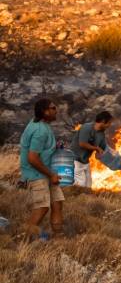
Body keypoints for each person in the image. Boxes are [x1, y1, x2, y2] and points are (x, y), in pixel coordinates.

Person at [19, 98, 64, 240]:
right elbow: (32, 158)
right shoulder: (40, 131)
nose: (56, 110)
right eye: (53, 108)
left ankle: (58, 240)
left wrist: (55, 147)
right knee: (42, 207)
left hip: (46, 172)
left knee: (57, 203)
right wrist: (51, 175)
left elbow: (41, 148)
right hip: (37, 174)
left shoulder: (41, 125)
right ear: (45, 112)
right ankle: (23, 241)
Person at [73, 110, 113, 189]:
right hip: (75, 160)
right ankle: (76, 196)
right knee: (81, 185)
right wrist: (96, 148)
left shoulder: (101, 134)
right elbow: (82, 143)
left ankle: (84, 197)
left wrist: (113, 156)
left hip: (85, 161)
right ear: (103, 121)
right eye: (109, 123)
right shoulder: (87, 127)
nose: (109, 125)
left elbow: (103, 148)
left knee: (88, 185)